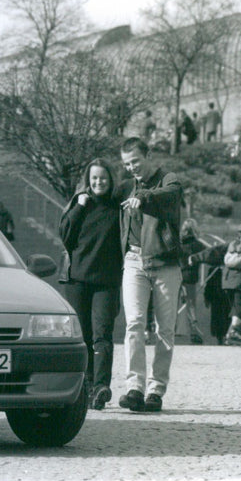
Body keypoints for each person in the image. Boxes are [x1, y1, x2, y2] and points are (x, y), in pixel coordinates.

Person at [118, 137, 183, 413]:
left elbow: (170, 195)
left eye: (135, 161)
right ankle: (134, 387)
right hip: (134, 261)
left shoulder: (169, 180)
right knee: (134, 323)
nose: (131, 167)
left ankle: (156, 390)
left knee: (165, 329)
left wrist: (143, 197)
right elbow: (102, 192)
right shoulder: (126, 186)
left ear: (148, 155)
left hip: (165, 263)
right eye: (126, 164)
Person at [59, 159, 124, 411]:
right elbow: (64, 235)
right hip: (77, 280)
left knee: (102, 335)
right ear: (88, 180)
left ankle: (101, 387)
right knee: (83, 336)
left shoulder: (118, 207)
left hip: (106, 282)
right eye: (94, 178)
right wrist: (79, 207)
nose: (99, 182)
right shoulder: (79, 203)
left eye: (103, 178)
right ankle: (85, 387)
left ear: (111, 179)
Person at [178, 218, 206, 344]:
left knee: (174, 303)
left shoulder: (178, 243)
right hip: (190, 277)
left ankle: (170, 328)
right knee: (191, 304)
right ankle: (193, 330)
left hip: (177, 275)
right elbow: (207, 254)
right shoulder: (197, 245)